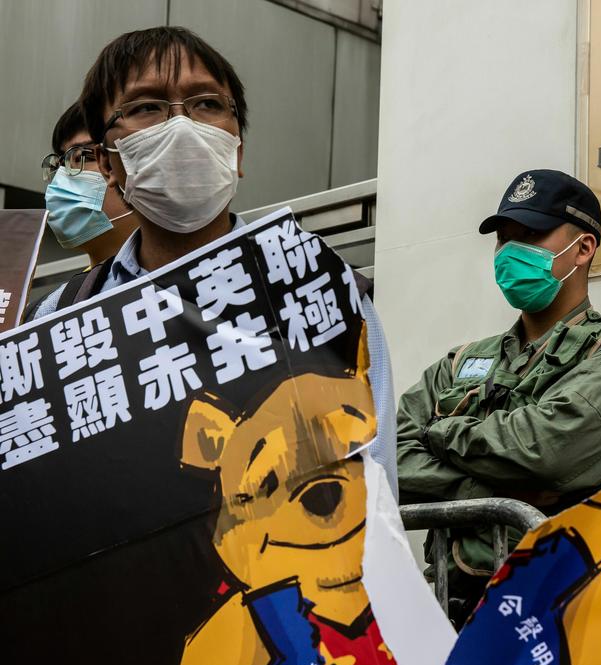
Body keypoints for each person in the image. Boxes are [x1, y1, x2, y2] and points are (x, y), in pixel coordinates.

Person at [29, 27, 397, 492]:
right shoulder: (58, 320)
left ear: (237, 149)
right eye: (147, 106)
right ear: (107, 163)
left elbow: (372, 493)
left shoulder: (326, 295)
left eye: (207, 104)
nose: (182, 126)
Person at [396, 169, 601, 624]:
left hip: (575, 612)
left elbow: (544, 452)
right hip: (457, 612)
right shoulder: (460, 362)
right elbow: (389, 454)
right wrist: (495, 494)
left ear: (583, 248)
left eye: (531, 235)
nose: (509, 252)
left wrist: (439, 433)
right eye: (504, 239)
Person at [41, 101, 139, 268]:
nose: (61, 177)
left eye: (80, 157)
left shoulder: (191, 284)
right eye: (60, 164)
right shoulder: (70, 293)